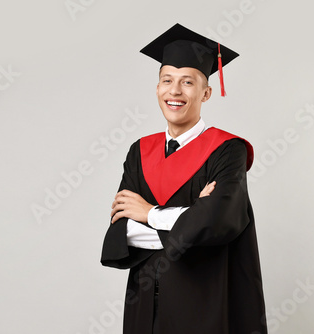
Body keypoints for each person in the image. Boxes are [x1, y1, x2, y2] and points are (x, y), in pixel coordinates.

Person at [100, 23, 267, 334]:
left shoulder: (228, 151)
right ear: (157, 88)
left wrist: (148, 213)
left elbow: (217, 223)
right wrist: (191, 219)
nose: (174, 91)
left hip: (204, 301)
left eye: (187, 82)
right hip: (145, 303)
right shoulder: (140, 151)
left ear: (206, 93)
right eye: (167, 81)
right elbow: (121, 232)